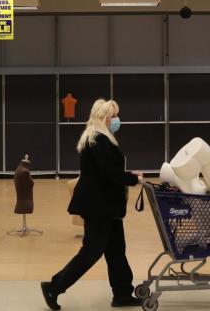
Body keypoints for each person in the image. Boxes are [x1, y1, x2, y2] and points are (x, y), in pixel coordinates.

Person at [41, 99, 144, 310]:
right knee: (92, 251)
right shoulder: (98, 140)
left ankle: (123, 293)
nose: (117, 119)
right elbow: (107, 172)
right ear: (104, 118)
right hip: (99, 207)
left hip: (107, 207)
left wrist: (127, 177)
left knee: (116, 251)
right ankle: (53, 286)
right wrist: (132, 178)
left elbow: (106, 171)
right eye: (113, 116)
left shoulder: (100, 138)